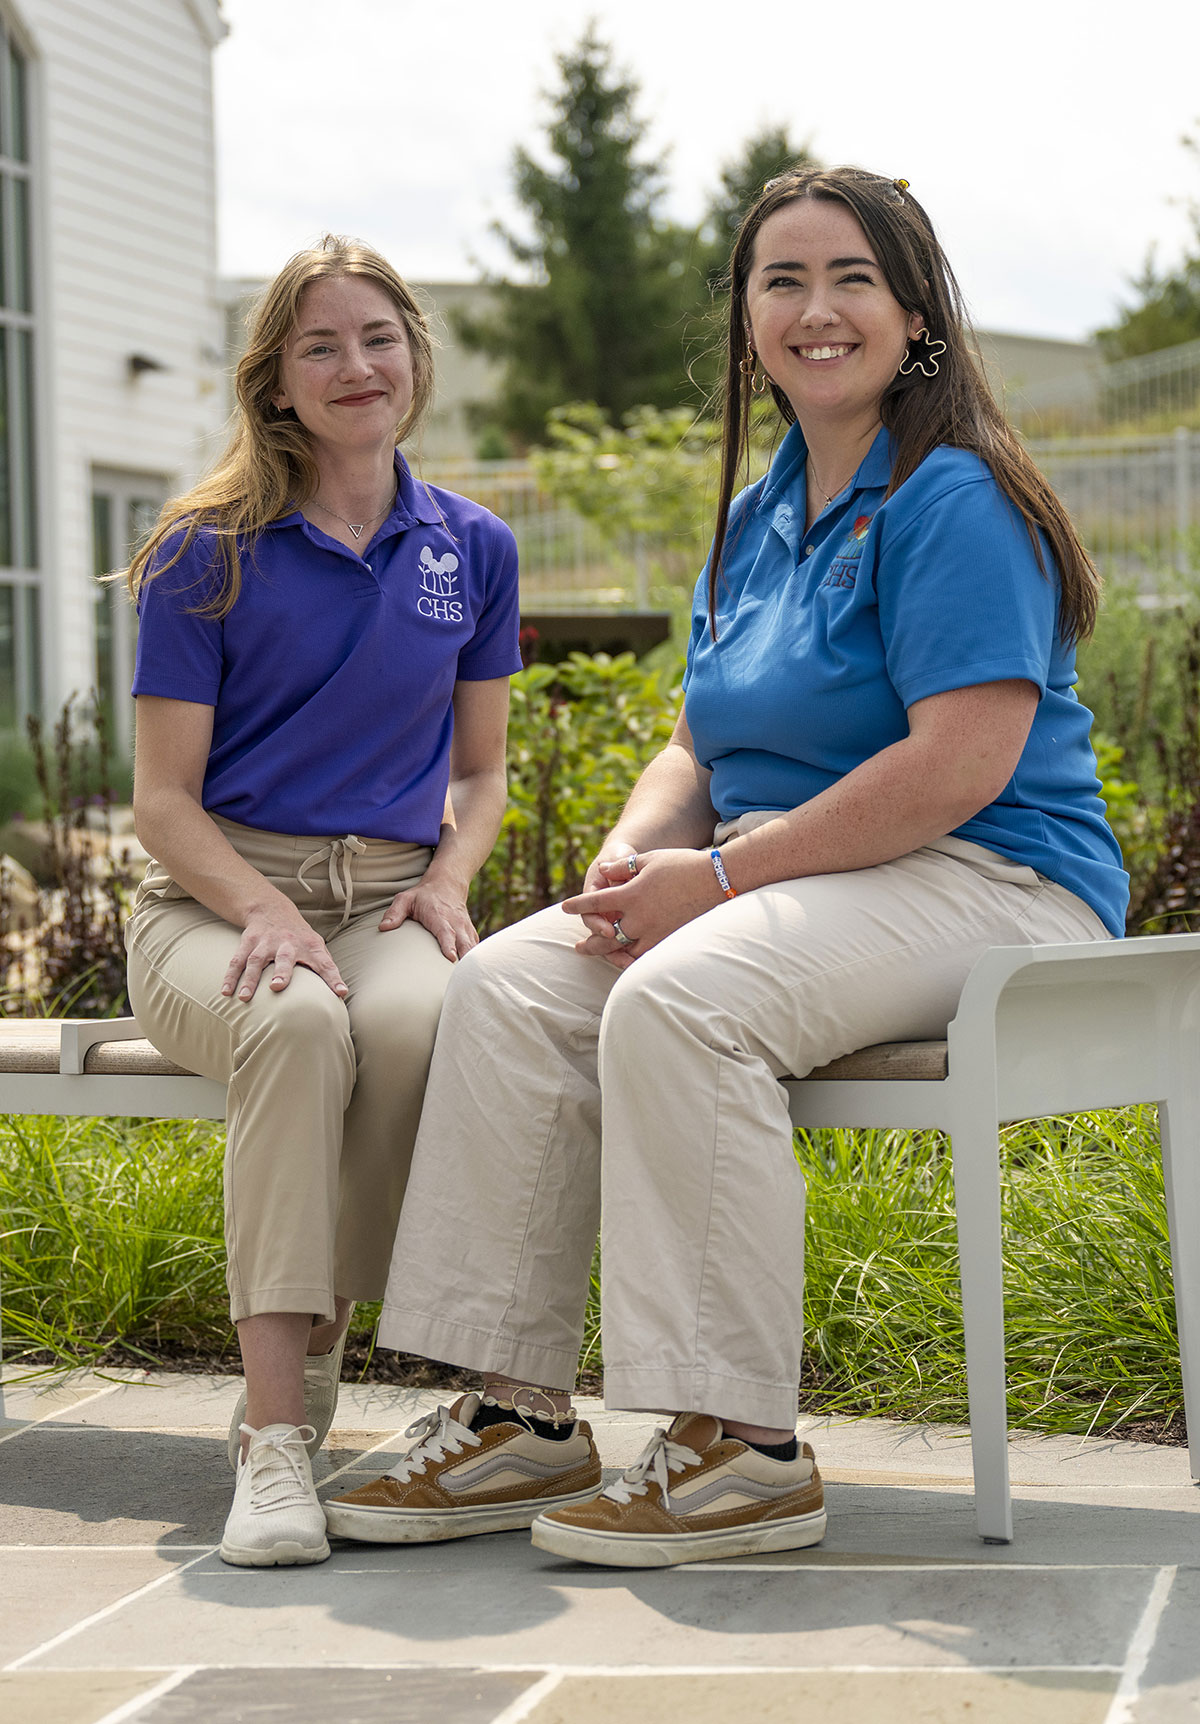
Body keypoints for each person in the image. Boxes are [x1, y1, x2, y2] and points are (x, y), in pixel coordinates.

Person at [324, 167, 1129, 1568]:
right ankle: (517, 1418)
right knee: (509, 991)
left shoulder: (954, 498)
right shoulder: (765, 509)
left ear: (917, 310)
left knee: (685, 998)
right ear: (749, 321)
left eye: (851, 280)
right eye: (783, 283)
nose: (817, 311)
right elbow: (694, 740)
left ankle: (737, 1447)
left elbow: (962, 761)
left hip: (992, 880)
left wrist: (729, 882)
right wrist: (640, 848)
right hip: (801, 885)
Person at [123, 236, 521, 1568]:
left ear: (414, 354)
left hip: (391, 902)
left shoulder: (473, 546)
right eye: (320, 346)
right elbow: (163, 805)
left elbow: (481, 766)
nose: (357, 367)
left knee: (419, 1028)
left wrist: (453, 881)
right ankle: (278, 1442)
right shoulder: (203, 549)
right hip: (214, 901)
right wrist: (264, 915)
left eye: (378, 338)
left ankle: (302, 1373)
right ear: (276, 384)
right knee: (296, 1028)